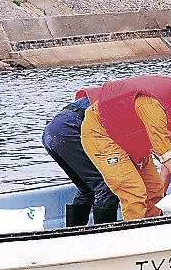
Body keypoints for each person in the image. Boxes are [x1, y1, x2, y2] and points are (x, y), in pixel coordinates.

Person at [78, 73, 171, 220]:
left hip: (130, 138)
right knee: (134, 194)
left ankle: (152, 234)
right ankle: (135, 239)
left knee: (155, 190)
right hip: (102, 134)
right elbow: (167, 158)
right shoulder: (152, 105)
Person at [42, 95, 119, 226]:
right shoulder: (126, 103)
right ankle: (104, 237)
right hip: (68, 130)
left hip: (52, 131)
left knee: (86, 188)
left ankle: (73, 233)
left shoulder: (112, 94)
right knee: (106, 185)